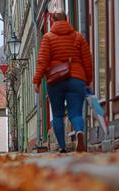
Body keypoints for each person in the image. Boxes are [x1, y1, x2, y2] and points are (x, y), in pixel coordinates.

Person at [33, 11, 93, 153]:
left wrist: (37, 81)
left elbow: (42, 61)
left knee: (58, 114)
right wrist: (88, 80)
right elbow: (87, 61)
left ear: (53, 21)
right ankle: (79, 132)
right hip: (77, 78)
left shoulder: (48, 38)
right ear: (67, 20)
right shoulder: (78, 37)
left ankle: (62, 147)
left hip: (55, 80)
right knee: (75, 113)